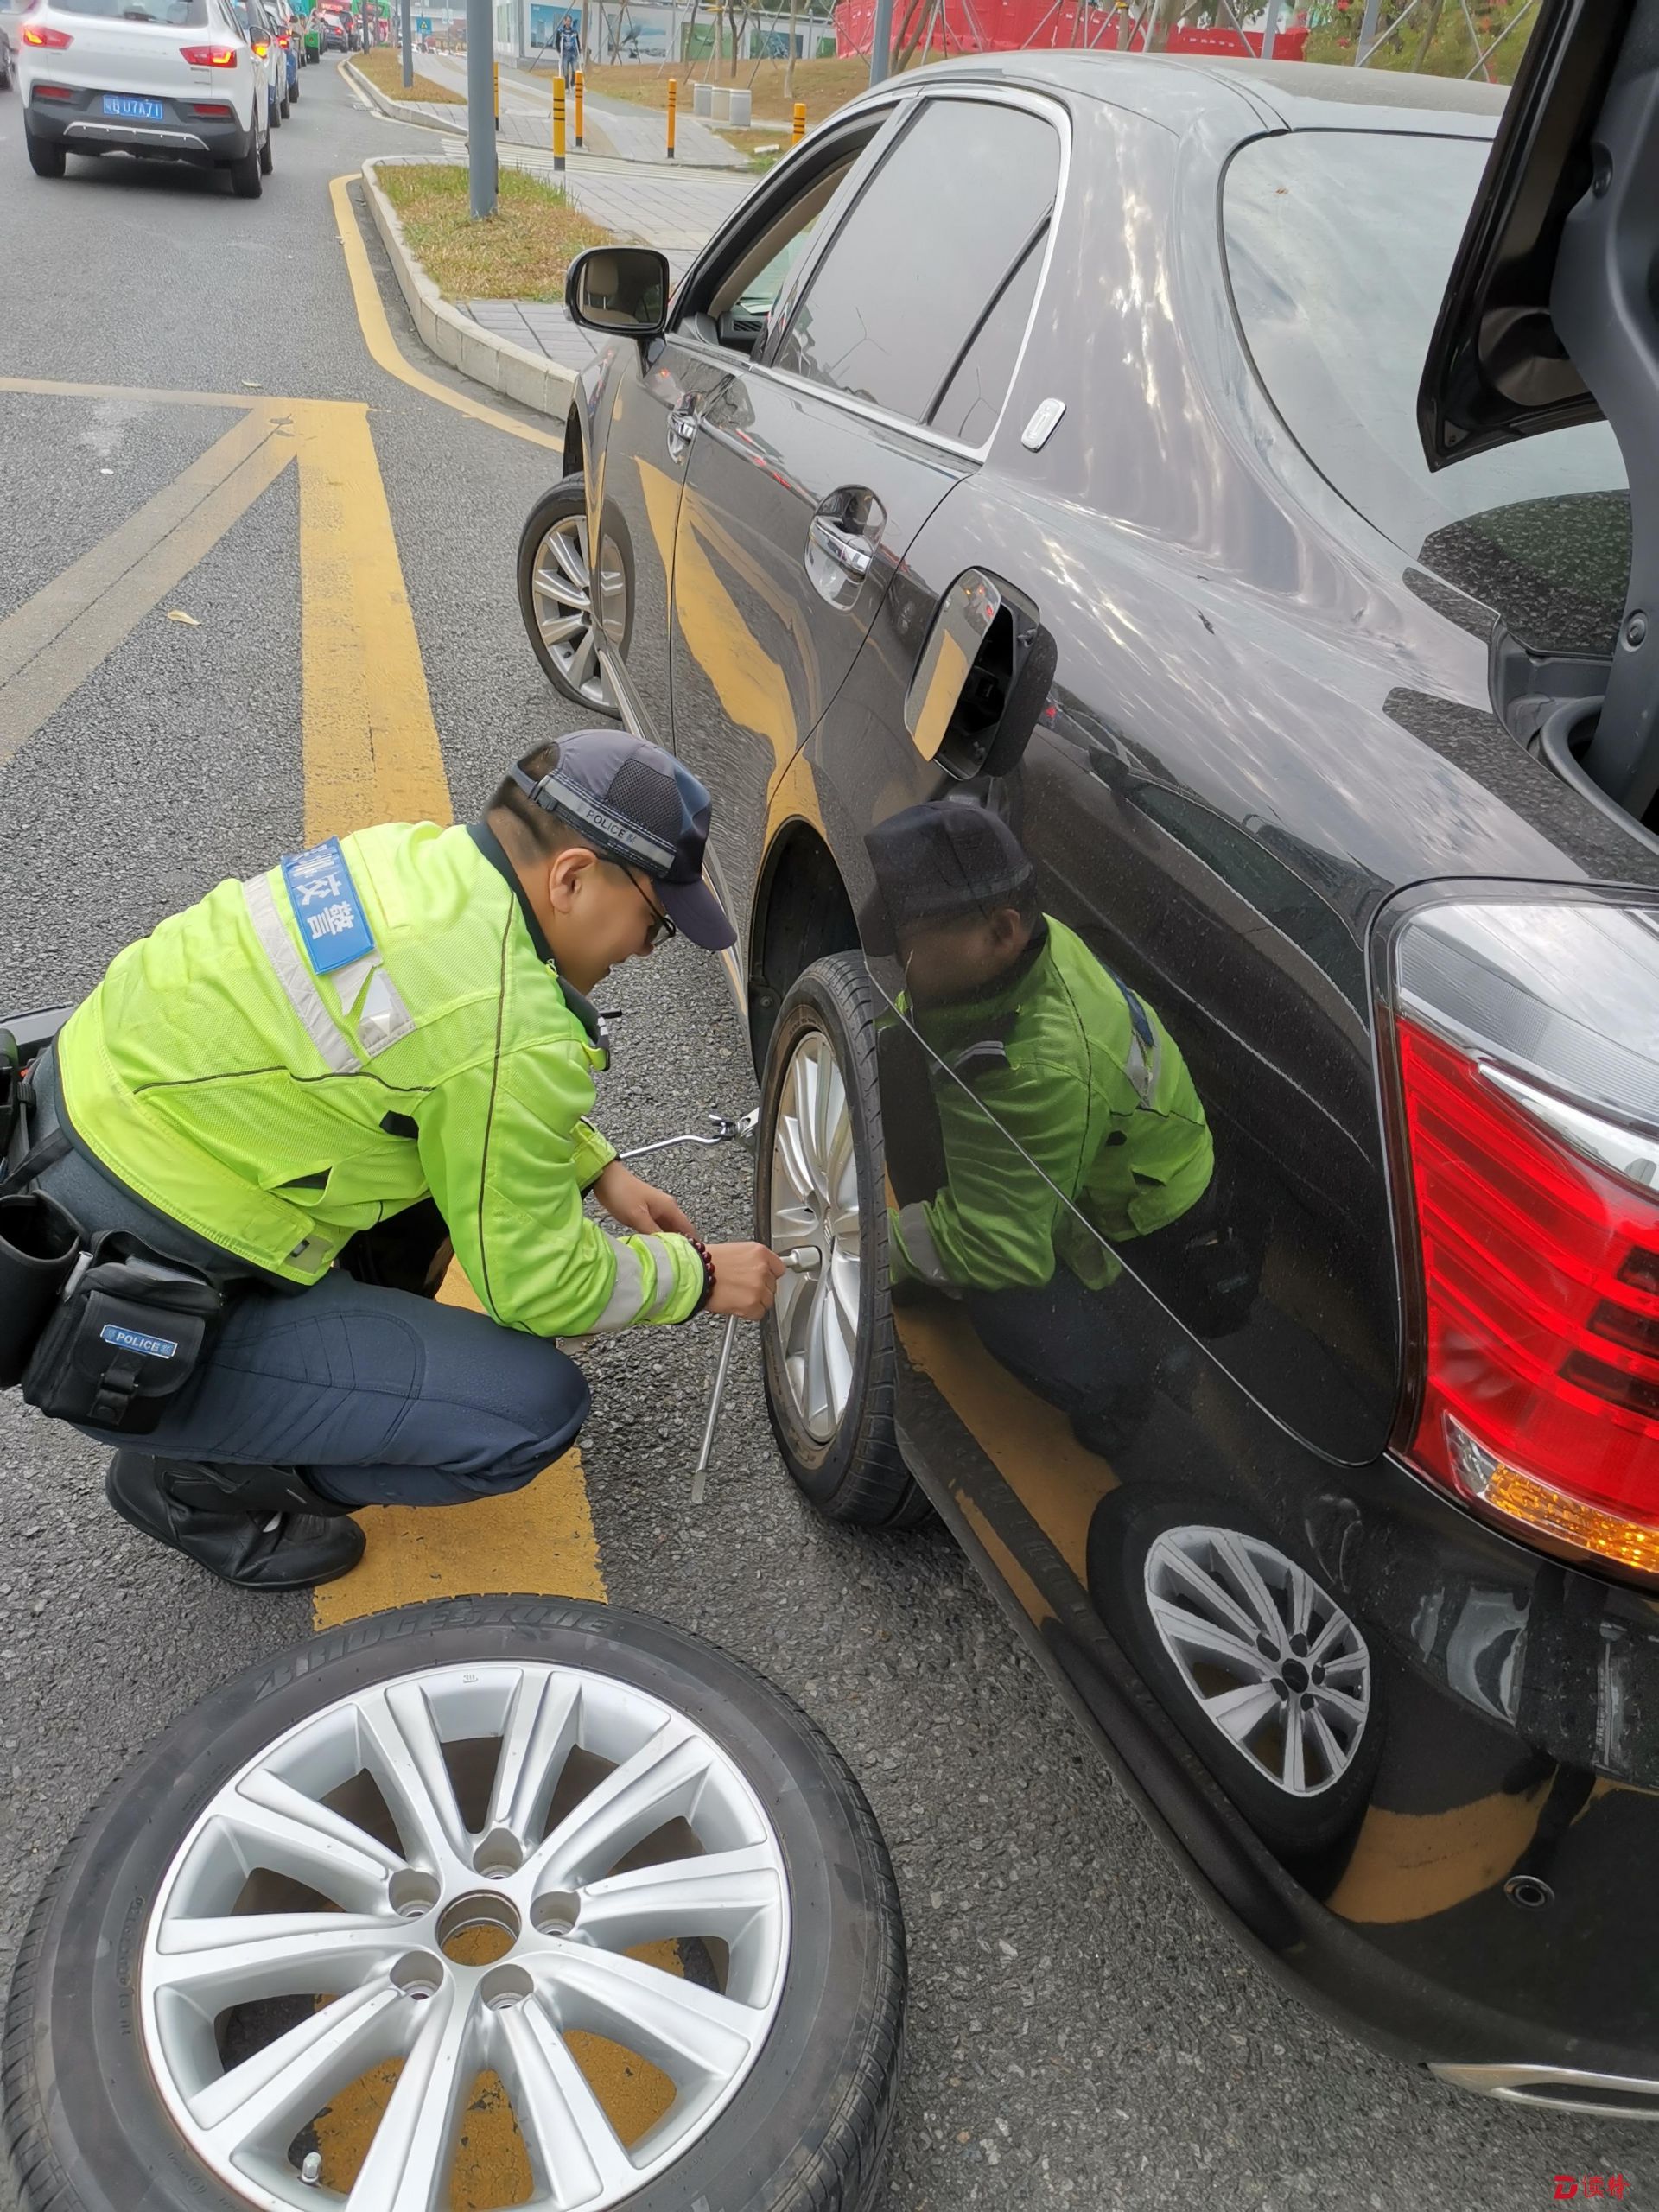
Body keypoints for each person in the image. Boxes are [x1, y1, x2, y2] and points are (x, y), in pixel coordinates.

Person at [0, 734, 785, 1592]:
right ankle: (194, 1481)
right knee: (530, 1410)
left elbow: (435, 1061)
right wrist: (700, 1278)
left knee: (442, 1165)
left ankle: (283, 1375)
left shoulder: (411, 861)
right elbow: (538, 1285)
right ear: (570, 877)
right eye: (655, 922)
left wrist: (596, 1168)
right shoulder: (505, 1021)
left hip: (65, 1135)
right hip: (124, 1289)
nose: (643, 949)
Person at [865, 802, 1236, 1455]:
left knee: (1009, 1306)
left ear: (1001, 930)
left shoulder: (1041, 1066)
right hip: (1084, 1136)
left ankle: (1122, 1393)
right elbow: (912, 1032)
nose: (900, 955)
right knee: (902, 1067)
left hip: (1143, 1215)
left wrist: (863, 1248)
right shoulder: (1018, 949)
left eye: (911, 940)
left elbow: (1000, 1246)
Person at [557, 13, 578, 86]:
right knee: (565, 71)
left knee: (574, 70)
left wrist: (578, 51)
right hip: (565, 53)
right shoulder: (560, 31)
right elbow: (557, 42)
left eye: (570, 21)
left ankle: (572, 84)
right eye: (567, 21)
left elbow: (577, 41)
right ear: (564, 21)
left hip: (573, 53)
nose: (568, 23)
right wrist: (559, 51)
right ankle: (566, 86)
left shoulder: (574, 31)